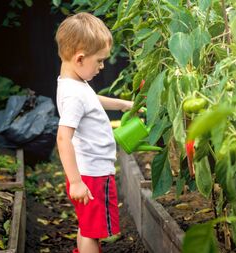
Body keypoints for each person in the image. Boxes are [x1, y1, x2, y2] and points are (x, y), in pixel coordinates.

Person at [55, 12, 133, 253]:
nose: (101, 67)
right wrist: (76, 182)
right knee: (93, 232)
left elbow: (92, 100)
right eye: (99, 61)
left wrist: (121, 104)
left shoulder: (72, 84)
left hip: (88, 173)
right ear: (80, 59)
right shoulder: (75, 95)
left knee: (87, 226)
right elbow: (63, 137)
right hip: (93, 176)